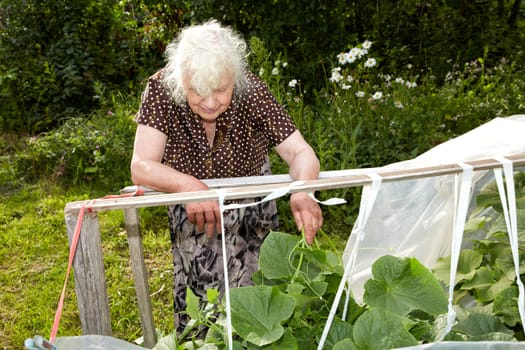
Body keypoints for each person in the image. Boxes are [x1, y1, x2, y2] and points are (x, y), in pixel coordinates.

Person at [130, 19, 323, 332]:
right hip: (190, 199)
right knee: (202, 296)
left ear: (234, 76)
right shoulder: (161, 89)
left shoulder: (252, 90)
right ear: (181, 80)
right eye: (196, 91)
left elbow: (301, 153)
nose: (209, 102)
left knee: (257, 289)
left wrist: (303, 191)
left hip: (250, 196)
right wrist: (188, 186)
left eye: (220, 90)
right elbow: (141, 166)